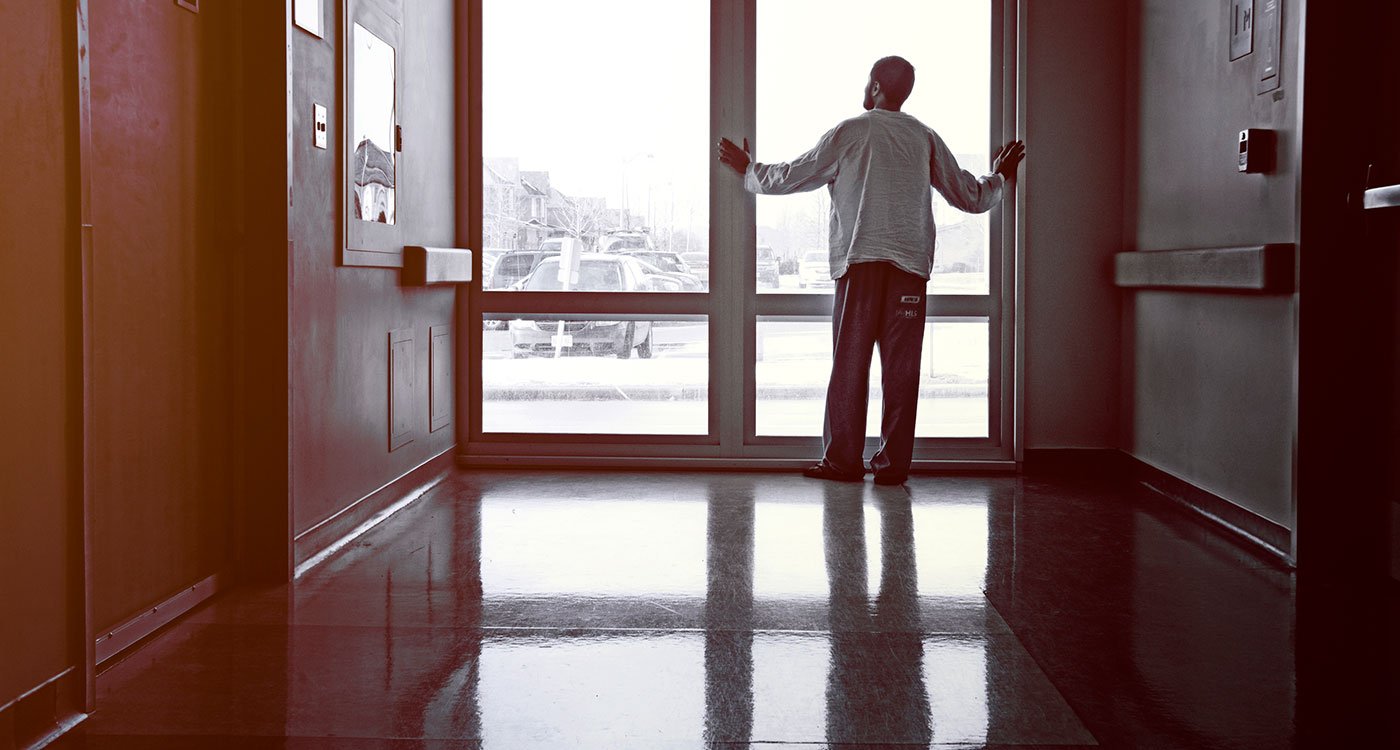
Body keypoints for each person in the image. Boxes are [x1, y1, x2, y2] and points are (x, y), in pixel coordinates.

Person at [717, 55, 1025, 485]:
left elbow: (794, 175)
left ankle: (843, 462)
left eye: (869, 82)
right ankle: (893, 467)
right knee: (901, 374)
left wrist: (748, 169)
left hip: (860, 264)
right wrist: (1001, 177)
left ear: (877, 86)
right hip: (909, 270)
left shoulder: (851, 132)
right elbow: (969, 195)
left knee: (849, 367)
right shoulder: (925, 138)